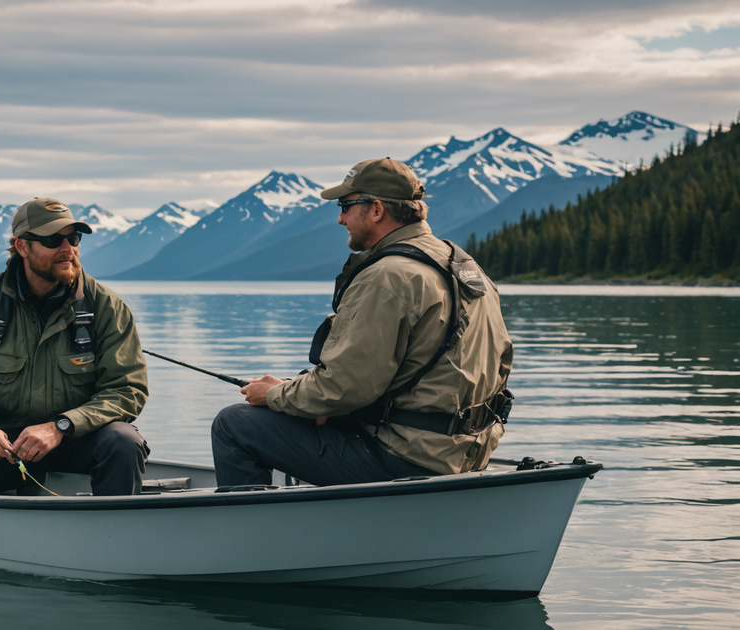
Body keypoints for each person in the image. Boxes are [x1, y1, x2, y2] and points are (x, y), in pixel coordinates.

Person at [211, 158, 514, 487]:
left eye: (345, 205)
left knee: (235, 424)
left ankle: (251, 536)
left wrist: (274, 395)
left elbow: (342, 389)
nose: (341, 218)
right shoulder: (463, 266)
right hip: (464, 453)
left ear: (376, 209)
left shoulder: (387, 277)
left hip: (405, 457)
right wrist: (291, 389)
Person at [0, 197, 149, 496]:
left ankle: (116, 537)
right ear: (21, 247)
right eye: (53, 240)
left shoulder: (106, 307)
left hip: (77, 437)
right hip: (4, 446)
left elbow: (126, 390)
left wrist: (62, 426)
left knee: (123, 441)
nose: (67, 248)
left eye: (74, 238)